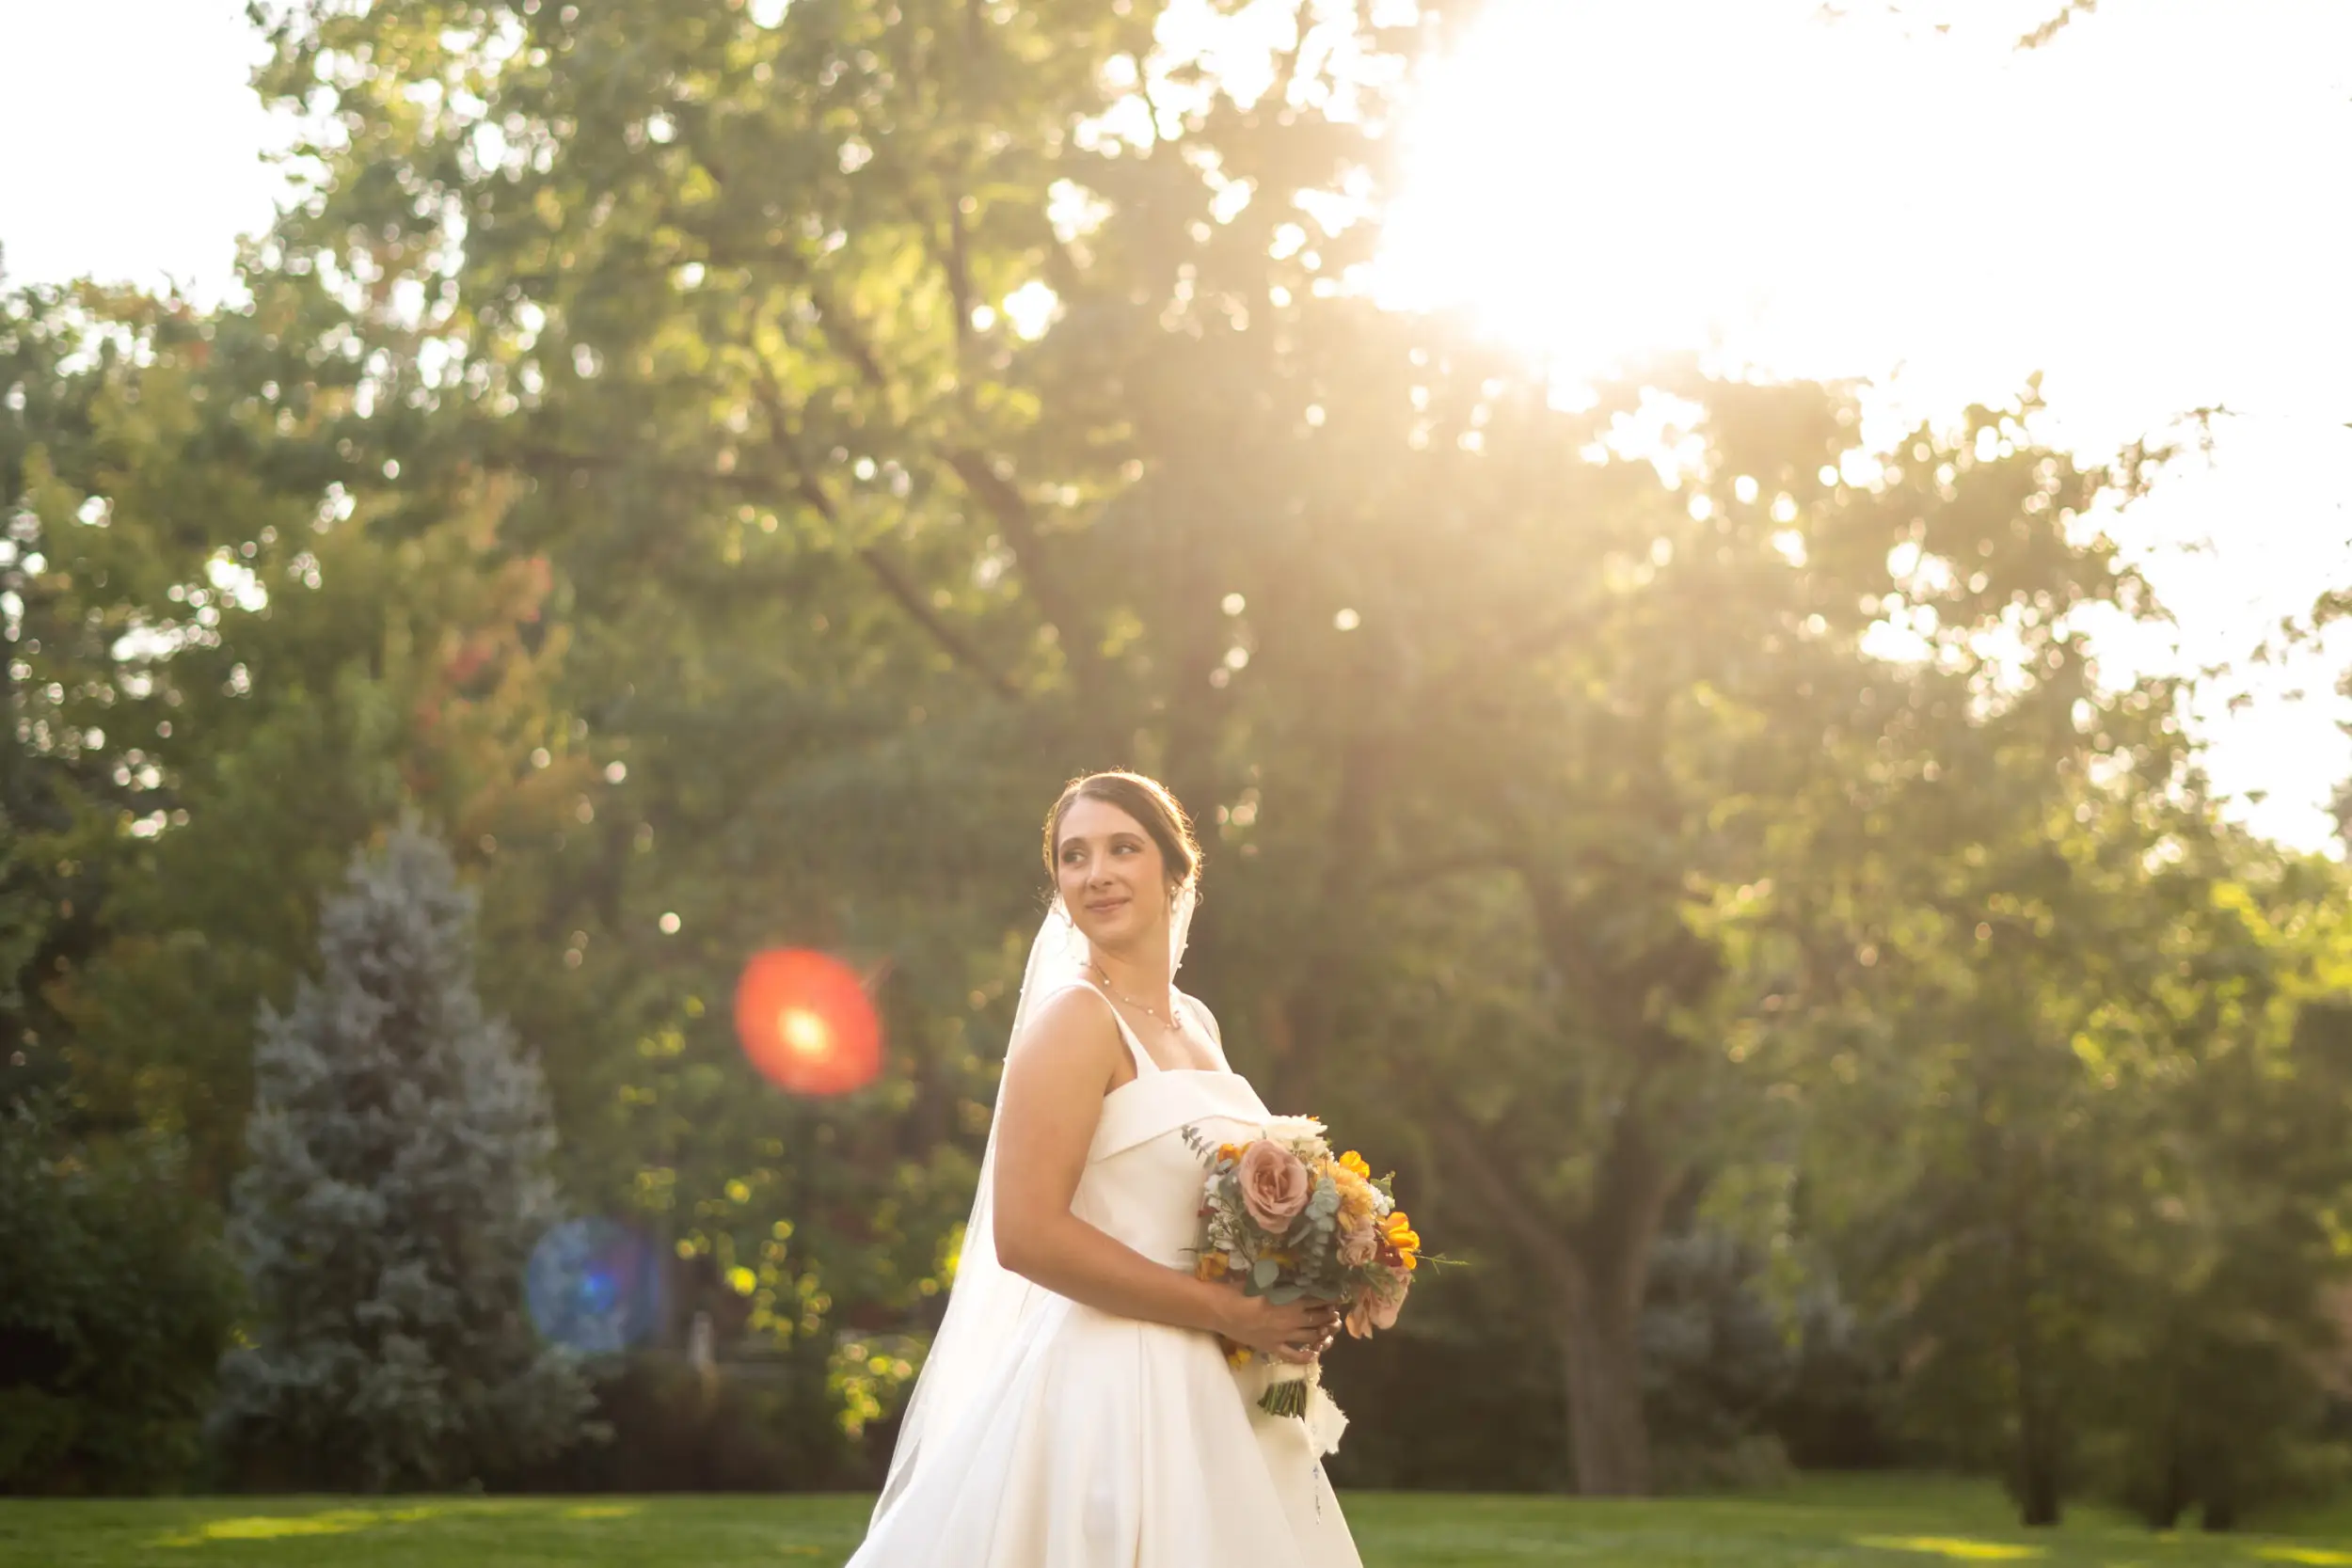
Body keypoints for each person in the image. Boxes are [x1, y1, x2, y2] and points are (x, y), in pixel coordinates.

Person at [847, 770, 1363, 1567]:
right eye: (1073, 856)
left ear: (1175, 868)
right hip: (1114, 1385)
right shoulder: (1075, 1020)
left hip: (1218, 1381)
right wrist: (1225, 1311)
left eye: (1123, 847)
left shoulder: (1197, 1022)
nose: (1097, 873)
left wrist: (1297, 1272)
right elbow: (1025, 1235)